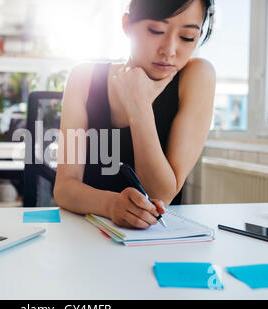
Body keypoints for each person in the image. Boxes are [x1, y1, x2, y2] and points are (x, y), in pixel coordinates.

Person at [53, 0, 216, 229]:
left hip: (156, 240)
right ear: (127, 25)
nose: (169, 51)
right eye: (156, 31)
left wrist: (139, 106)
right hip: (84, 233)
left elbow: (159, 196)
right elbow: (64, 188)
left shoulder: (196, 76)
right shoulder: (83, 78)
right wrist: (111, 204)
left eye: (187, 37)